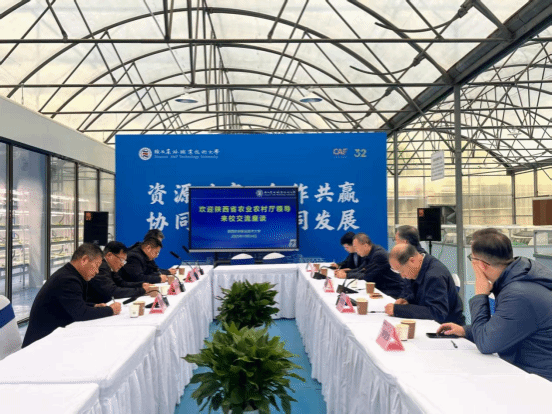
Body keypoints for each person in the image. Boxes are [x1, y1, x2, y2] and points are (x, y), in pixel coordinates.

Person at [438, 228, 552, 382]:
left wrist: (480, 295)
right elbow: (504, 327)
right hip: (530, 371)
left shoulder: (518, 294)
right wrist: (465, 331)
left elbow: (486, 344)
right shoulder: (519, 278)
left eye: (472, 258)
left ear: (481, 265)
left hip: (540, 381)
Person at [22, 244, 121, 348]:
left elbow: (75, 303)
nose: (97, 271)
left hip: (54, 337)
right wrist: (110, 310)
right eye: (96, 265)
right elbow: (81, 313)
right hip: (40, 344)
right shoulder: (68, 279)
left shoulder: (70, 274)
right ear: (84, 260)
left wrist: (94, 306)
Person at [385, 243, 465, 324]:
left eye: (401, 271)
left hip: (448, 326)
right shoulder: (415, 269)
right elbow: (419, 295)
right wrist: (406, 300)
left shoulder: (435, 276)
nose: (402, 276)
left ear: (412, 260)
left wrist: (399, 310)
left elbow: (437, 313)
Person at [335, 233, 403, 298]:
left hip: (392, 290)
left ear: (365, 245)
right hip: (381, 287)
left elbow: (368, 276)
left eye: (356, 247)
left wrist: (346, 275)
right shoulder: (370, 252)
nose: (355, 250)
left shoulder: (378, 254)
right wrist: (345, 272)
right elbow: (361, 269)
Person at [87, 241, 157, 304]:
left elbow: (121, 283)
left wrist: (141, 285)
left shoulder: (110, 267)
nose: (122, 264)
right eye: (121, 260)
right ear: (109, 255)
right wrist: (142, 290)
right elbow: (113, 292)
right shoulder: (101, 267)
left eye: (124, 261)